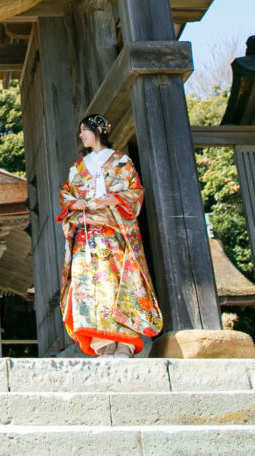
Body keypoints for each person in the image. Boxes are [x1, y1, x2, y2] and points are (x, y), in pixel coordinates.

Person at [58, 113, 163, 357]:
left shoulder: (121, 161)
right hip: (85, 234)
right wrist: (74, 203)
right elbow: (66, 194)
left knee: (117, 283)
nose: (81, 135)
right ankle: (103, 343)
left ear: (98, 131)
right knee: (86, 285)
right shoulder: (77, 167)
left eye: (85, 130)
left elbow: (135, 191)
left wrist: (114, 199)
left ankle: (125, 343)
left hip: (112, 231)